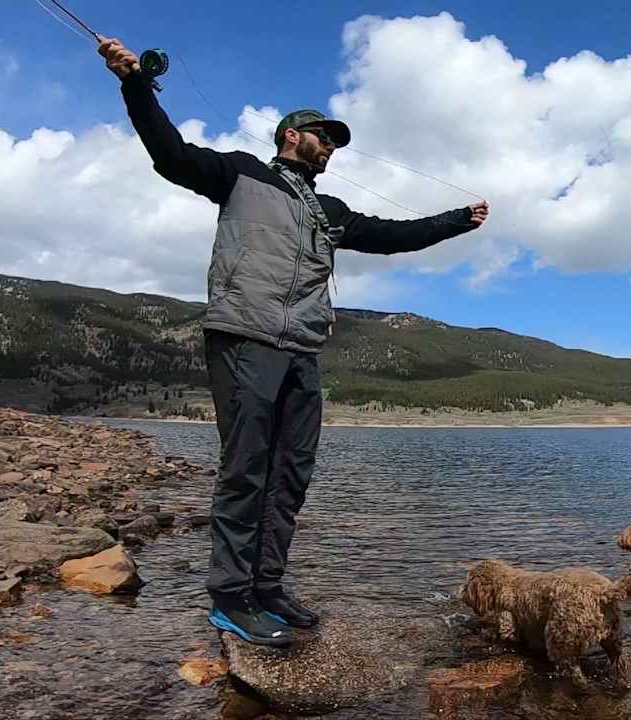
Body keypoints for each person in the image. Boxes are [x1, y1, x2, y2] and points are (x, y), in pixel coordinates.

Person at [98, 37, 489, 647]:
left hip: (302, 352)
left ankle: (268, 588)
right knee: (246, 469)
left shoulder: (328, 209)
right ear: (290, 136)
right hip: (245, 337)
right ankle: (230, 598)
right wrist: (134, 84)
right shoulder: (239, 174)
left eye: (333, 141)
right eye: (322, 135)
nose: (330, 146)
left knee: (290, 476)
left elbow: (392, 235)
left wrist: (457, 220)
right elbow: (169, 154)